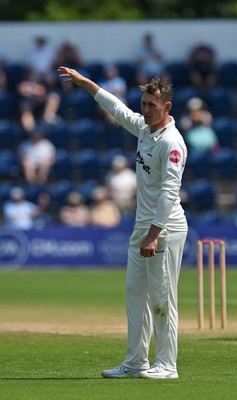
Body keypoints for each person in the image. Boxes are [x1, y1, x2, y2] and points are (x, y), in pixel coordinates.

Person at [57, 65, 188, 379]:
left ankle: (167, 365)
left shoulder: (172, 143)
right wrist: (86, 82)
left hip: (165, 229)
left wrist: (153, 235)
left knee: (161, 298)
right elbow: (116, 108)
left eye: (151, 106)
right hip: (142, 229)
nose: (144, 111)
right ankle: (135, 362)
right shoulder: (145, 129)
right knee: (135, 294)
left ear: (167, 107)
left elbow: (170, 194)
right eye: (143, 104)